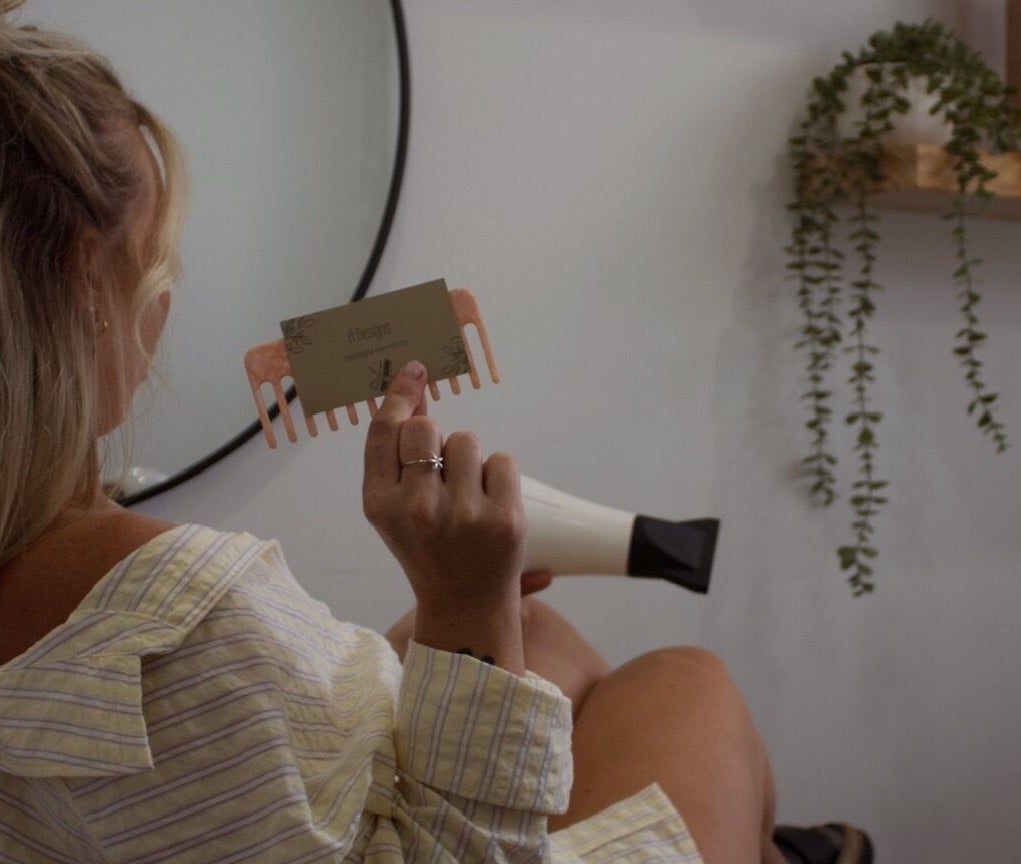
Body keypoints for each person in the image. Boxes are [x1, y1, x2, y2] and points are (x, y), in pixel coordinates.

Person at [0, 5, 871, 863]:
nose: (165, 300)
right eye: (159, 261)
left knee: (541, 629)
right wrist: (462, 612)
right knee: (687, 683)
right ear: (86, 282)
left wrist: (480, 606)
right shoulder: (174, 615)